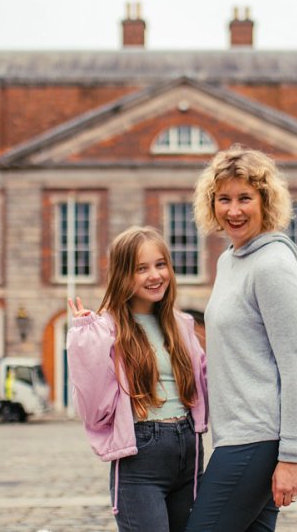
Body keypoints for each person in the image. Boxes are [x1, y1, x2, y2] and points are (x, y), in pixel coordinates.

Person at [184, 145, 297, 531]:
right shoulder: (230, 260)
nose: (233, 210)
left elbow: (295, 367)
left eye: (245, 198)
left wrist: (291, 456)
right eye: (224, 199)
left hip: (257, 439)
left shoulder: (272, 265)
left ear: (266, 201)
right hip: (234, 436)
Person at [67, 226, 209, 532]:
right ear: (122, 276)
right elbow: (93, 407)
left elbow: (206, 383)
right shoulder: (106, 329)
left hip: (189, 446)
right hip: (141, 454)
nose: (154, 275)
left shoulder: (182, 324)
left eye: (160, 265)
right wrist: (86, 342)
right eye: (141, 269)